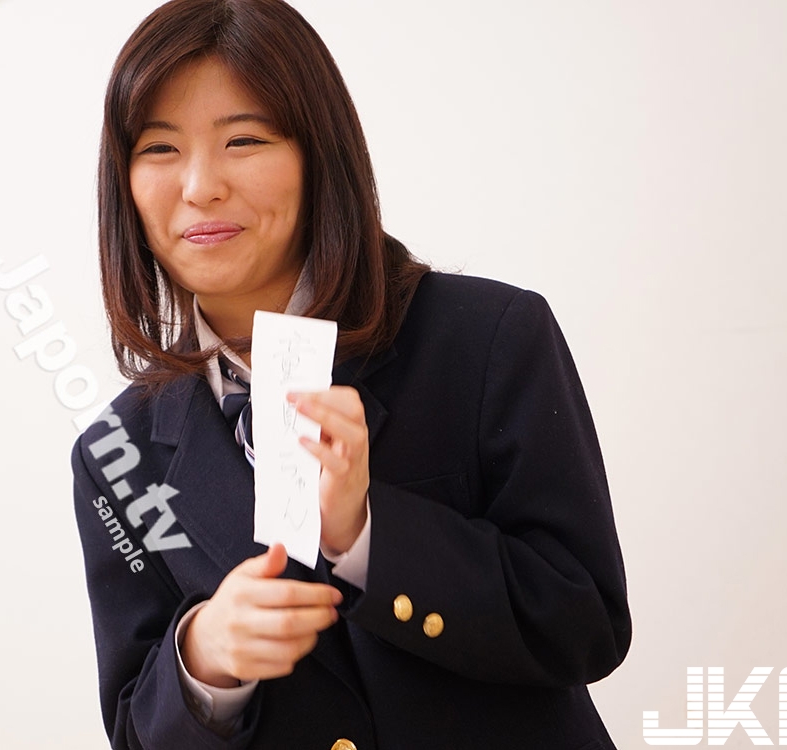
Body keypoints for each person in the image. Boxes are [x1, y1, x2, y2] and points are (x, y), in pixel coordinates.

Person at [71, 0, 632, 747]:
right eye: (159, 148)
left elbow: (586, 626)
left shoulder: (488, 337)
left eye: (244, 140)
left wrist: (367, 535)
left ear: (318, 154)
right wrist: (201, 660)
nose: (200, 185)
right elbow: (134, 733)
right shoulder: (116, 454)